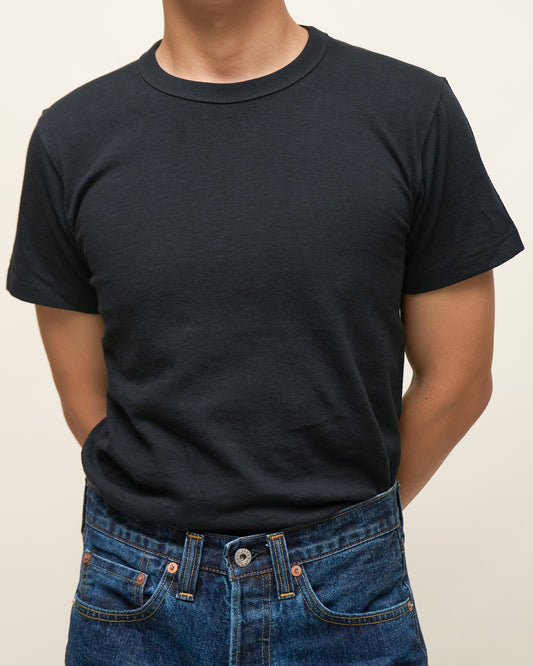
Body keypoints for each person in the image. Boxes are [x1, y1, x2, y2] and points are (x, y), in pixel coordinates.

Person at [5, 1, 525, 664]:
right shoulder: (71, 137)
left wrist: (346, 532)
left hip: (346, 586)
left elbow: (458, 379)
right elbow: (84, 395)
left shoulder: (412, 112)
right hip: (135, 594)